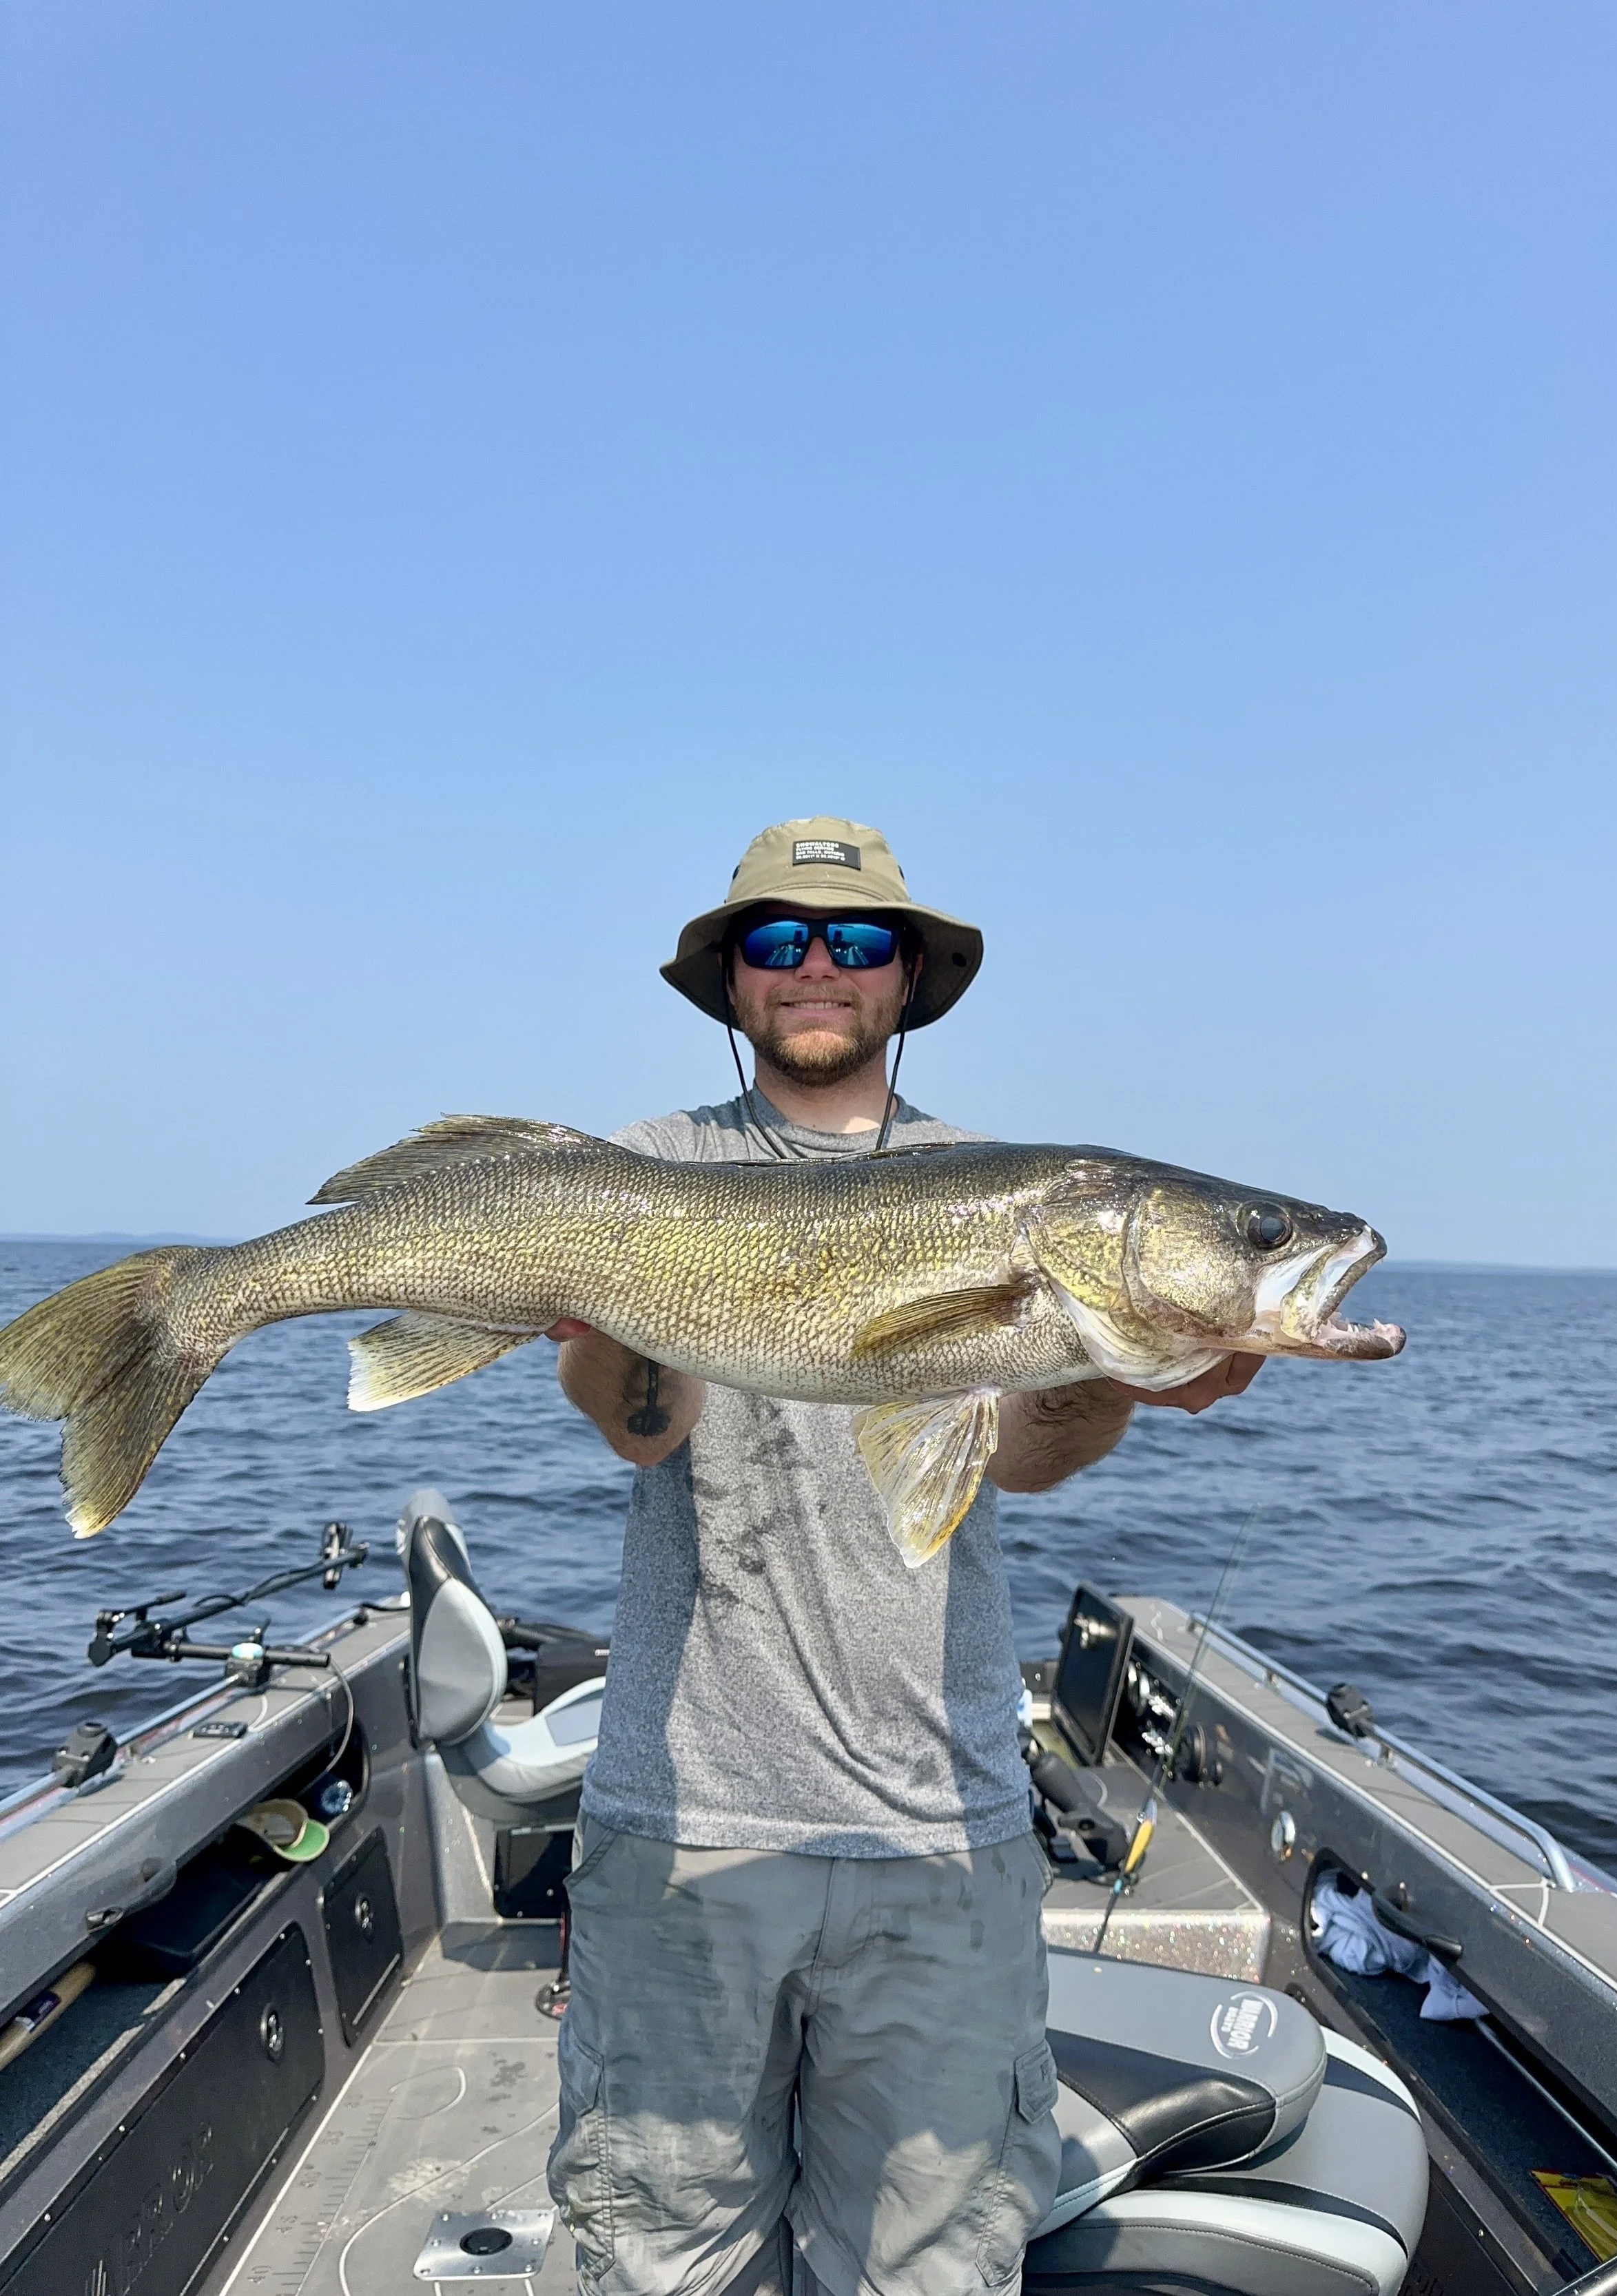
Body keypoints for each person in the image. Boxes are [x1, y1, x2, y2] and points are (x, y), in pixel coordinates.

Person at [546, 818, 1261, 2296]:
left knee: (931, 2271)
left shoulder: (1009, 1191)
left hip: (942, 1830)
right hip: (687, 1823)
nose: (818, 967)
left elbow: (1022, 1456)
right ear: (730, 978)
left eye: (857, 942)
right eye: (779, 939)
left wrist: (1114, 1366)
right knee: (655, 2260)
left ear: (908, 976)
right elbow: (637, 1432)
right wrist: (615, 1311)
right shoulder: (644, 1168)